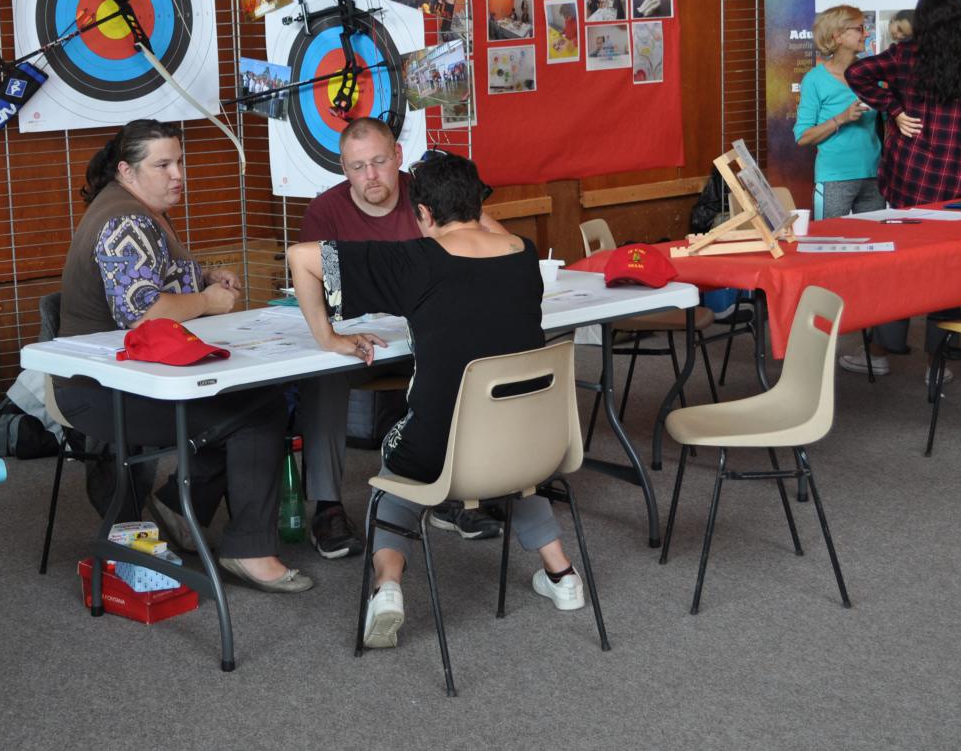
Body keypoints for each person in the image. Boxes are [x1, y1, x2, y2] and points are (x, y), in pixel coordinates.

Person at [287, 152, 589, 649]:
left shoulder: (416, 260)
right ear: (478, 203)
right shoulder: (524, 254)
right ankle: (563, 574)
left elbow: (301, 258)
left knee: (398, 476)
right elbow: (489, 235)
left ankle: (388, 587)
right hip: (532, 446)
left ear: (422, 213)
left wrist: (330, 338)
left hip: (445, 455)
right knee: (514, 466)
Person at [55, 119, 311, 593]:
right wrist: (208, 302)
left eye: (179, 162)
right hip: (104, 391)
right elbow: (142, 312)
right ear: (127, 171)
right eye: (163, 165)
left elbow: (154, 274)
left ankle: (179, 504)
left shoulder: (136, 208)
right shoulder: (126, 221)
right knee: (259, 411)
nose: (178, 175)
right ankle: (248, 550)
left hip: (127, 377)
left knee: (243, 397)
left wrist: (205, 276)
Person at [296, 118, 506, 558]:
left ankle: (456, 492)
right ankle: (328, 507)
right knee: (323, 375)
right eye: (357, 167)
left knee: (467, 359)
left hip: (426, 337)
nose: (370, 176)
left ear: (397, 157)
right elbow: (310, 277)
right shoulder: (325, 211)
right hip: (362, 340)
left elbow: (499, 243)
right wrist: (330, 335)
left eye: (378, 162)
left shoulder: (428, 196)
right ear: (343, 168)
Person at [845, 0, 961, 380]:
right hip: (959, 183)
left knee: (898, 266)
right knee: (951, 273)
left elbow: (857, 73)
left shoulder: (905, 55)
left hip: (908, 179)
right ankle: (936, 363)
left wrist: (894, 109)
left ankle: (879, 351)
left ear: (922, 20)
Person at [795, 5, 881, 220]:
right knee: (828, 238)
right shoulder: (815, 79)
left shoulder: (873, 74)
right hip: (834, 178)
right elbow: (803, 137)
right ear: (838, 36)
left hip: (875, 177)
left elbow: (892, 121)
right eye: (860, 28)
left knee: (877, 239)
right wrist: (841, 118)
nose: (867, 34)